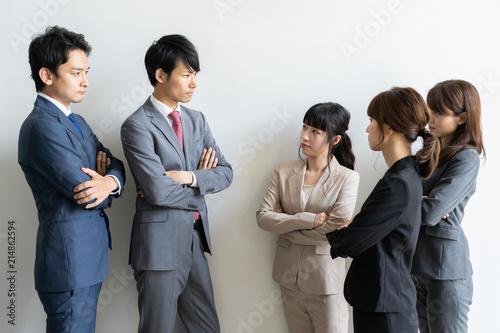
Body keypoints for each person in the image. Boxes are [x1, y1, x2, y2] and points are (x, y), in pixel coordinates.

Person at [121, 34, 233, 333]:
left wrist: (190, 177)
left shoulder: (197, 120)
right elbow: (156, 191)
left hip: (195, 240)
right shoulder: (137, 125)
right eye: (186, 75)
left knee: (207, 328)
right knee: (156, 328)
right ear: (161, 75)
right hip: (159, 247)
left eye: (195, 75)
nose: (193, 83)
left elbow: (226, 172)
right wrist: (201, 189)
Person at [18, 26, 126, 333]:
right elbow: (85, 192)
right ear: (47, 75)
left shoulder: (75, 120)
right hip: (68, 262)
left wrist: (109, 181)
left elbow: (113, 163)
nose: (86, 82)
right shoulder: (41, 127)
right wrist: (101, 183)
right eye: (76, 72)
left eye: (86, 72)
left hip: (85, 259)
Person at [327, 87, 440, 333]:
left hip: (385, 309)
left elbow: (349, 243)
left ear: (389, 127)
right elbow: (362, 232)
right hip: (383, 302)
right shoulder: (402, 176)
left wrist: (346, 231)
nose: (367, 128)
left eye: (371, 121)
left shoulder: (398, 183)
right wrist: (355, 227)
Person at [257, 102, 359, 333]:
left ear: (335, 140)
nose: (304, 136)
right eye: (304, 127)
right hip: (288, 279)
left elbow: (335, 228)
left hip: (325, 281)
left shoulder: (348, 178)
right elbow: (263, 217)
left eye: (315, 131)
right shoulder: (282, 171)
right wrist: (306, 220)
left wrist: (285, 226)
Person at [411, 79, 485, 333]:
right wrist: (419, 202)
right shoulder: (428, 154)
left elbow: (431, 211)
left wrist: (422, 204)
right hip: (417, 266)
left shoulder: (467, 157)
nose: (430, 117)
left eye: (439, 112)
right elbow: (419, 204)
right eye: (431, 109)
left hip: (446, 270)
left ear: (462, 118)